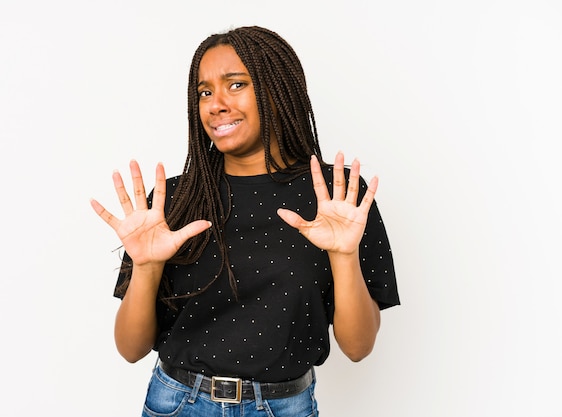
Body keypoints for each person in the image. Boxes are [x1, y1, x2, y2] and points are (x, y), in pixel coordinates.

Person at [90, 25, 400, 417]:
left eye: (235, 85)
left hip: (284, 407)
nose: (215, 104)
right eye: (204, 92)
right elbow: (130, 349)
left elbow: (358, 348)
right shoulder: (175, 201)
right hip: (178, 404)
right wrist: (147, 266)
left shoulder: (338, 199)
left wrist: (343, 254)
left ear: (276, 90)